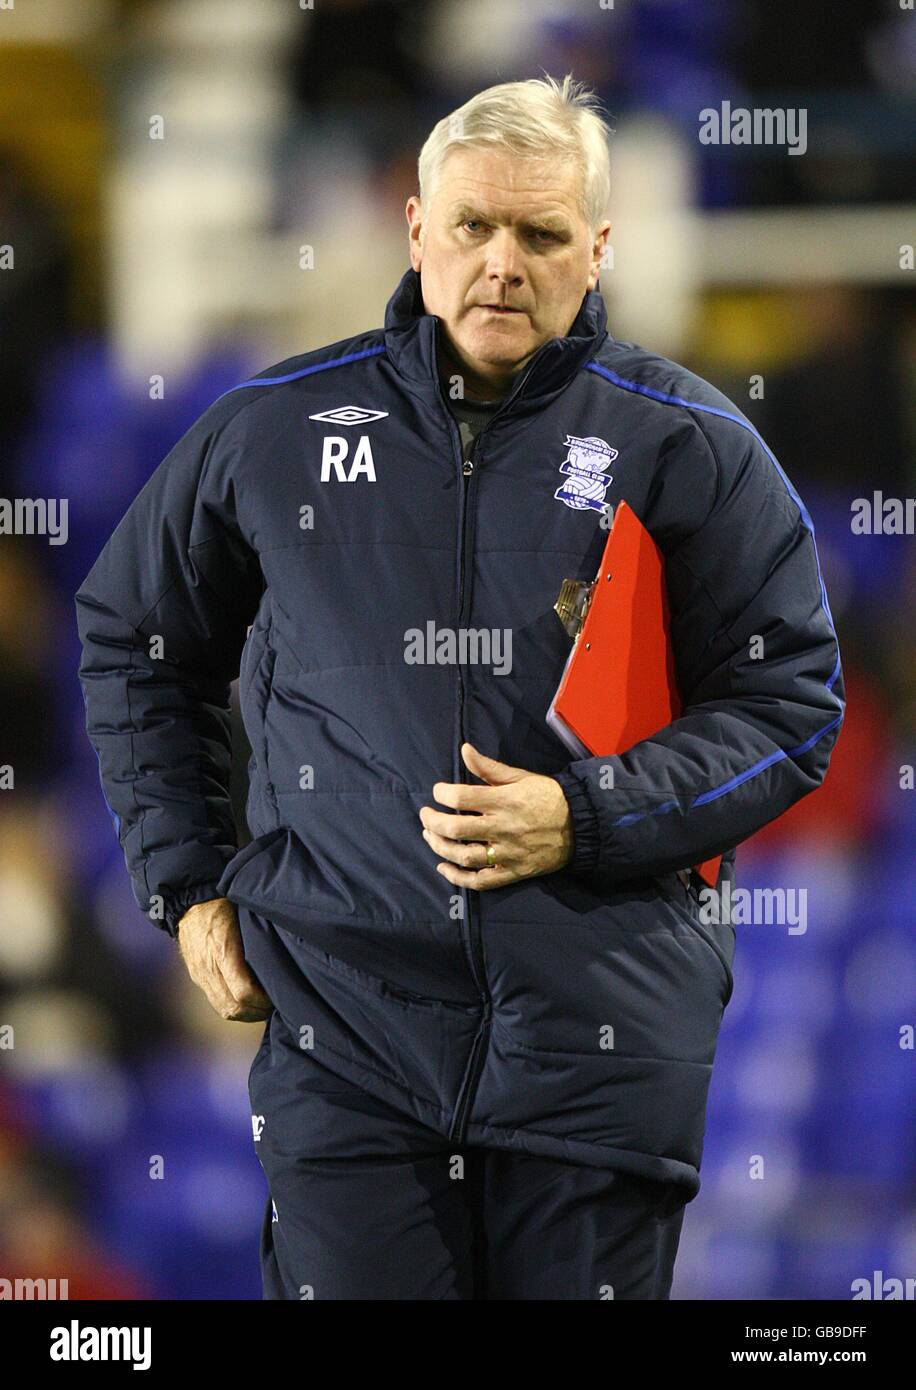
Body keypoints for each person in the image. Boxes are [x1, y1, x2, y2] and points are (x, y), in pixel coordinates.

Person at [76, 75, 844, 1300]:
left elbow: (789, 710)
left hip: (598, 1056)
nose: (503, 262)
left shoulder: (690, 447)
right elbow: (133, 639)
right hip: (345, 1042)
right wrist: (187, 887)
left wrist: (583, 814)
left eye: (541, 235)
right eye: (473, 225)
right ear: (417, 229)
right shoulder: (268, 432)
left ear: (595, 251)